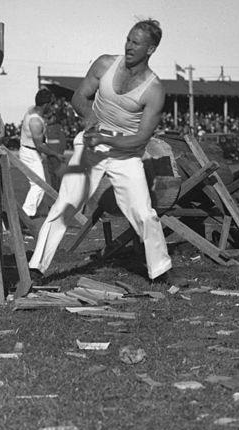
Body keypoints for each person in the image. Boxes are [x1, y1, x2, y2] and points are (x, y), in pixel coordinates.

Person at [28, 19, 172, 282]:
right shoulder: (105, 63)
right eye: (128, 39)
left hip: (125, 151)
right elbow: (79, 97)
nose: (128, 46)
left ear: (150, 50)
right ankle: (36, 267)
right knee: (67, 202)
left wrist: (109, 140)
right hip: (92, 143)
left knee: (143, 212)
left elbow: (140, 140)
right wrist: (89, 118)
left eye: (136, 43)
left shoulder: (154, 90)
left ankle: (161, 270)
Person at [19, 89, 62, 218]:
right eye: (51, 104)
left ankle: (28, 214)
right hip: (30, 152)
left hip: (30, 151)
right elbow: (40, 146)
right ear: (46, 105)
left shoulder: (32, 110)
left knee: (38, 184)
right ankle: (26, 215)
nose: (52, 107)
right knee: (39, 185)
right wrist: (56, 154)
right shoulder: (35, 121)